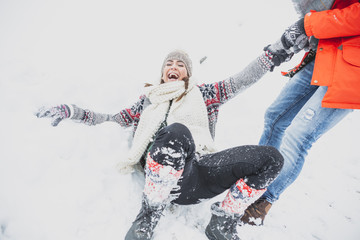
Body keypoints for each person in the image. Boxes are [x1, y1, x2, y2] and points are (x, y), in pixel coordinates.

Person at [36, 26, 305, 239]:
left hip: (201, 171)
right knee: (177, 132)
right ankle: (149, 214)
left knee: (271, 158)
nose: (173, 67)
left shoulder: (205, 95)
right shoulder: (148, 101)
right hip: (163, 179)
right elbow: (111, 120)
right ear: (163, 73)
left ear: (188, 73)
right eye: (169, 64)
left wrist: (276, 50)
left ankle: (223, 221)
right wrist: (73, 111)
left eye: (180, 64)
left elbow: (242, 79)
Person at [240, 0, 360, 226]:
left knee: (299, 136)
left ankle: (263, 202)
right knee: (275, 117)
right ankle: (256, 182)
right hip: (325, 52)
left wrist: (310, 23)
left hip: (352, 67)